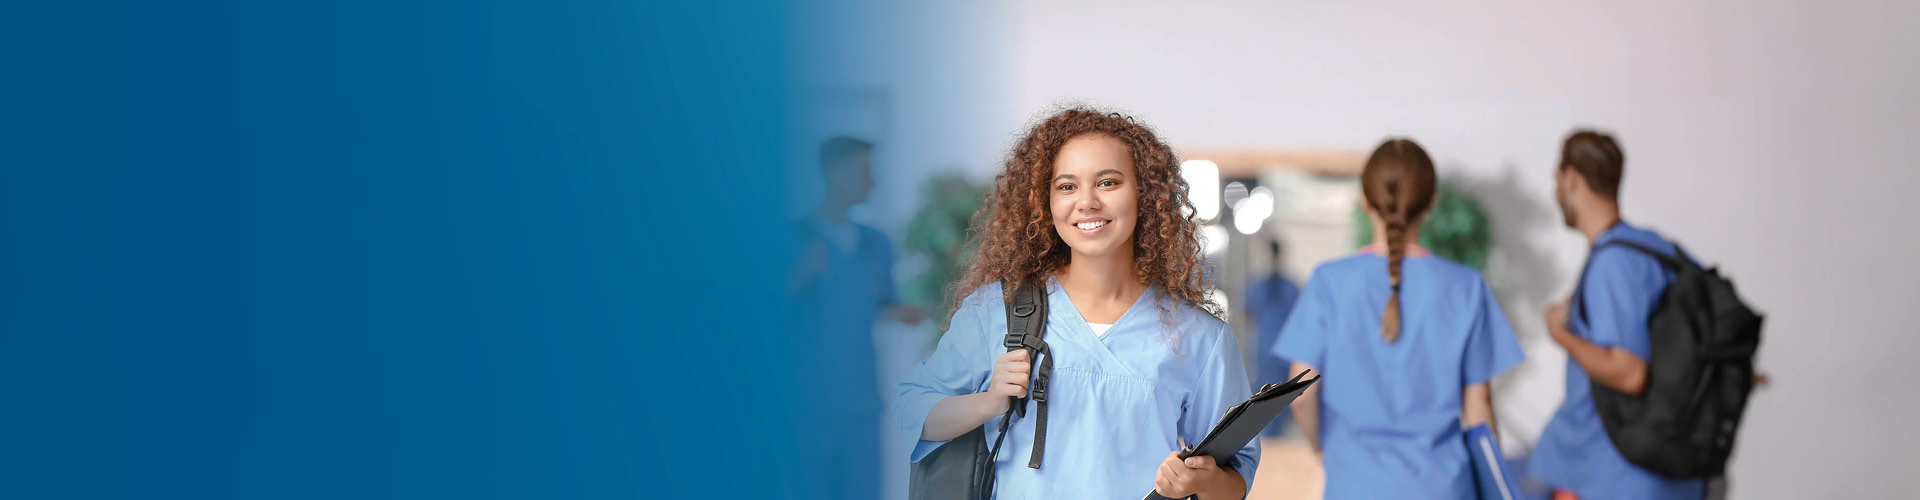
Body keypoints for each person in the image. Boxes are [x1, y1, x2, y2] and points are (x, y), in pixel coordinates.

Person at [894, 108, 1258, 499]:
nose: (1086, 202)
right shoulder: (996, 313)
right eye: (1066, 186)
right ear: (1044, 202)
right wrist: (988, 402)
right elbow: (911, 412)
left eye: (1108, 182)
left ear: (1145, 195)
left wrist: (1200, 481)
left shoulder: (1200, 338)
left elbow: (1235, 478)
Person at [1273, 138, 1524, 499]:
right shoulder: (1466, 287)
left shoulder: (1329, 282)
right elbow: (1479, 407)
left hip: (1355, 486)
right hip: (1445, 488)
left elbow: (1299, 393)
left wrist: (1322, 449)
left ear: (1364, 199)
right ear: (1433, 201)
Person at [1528, 130, 1705, 500]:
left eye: (1557, 180)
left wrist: (1561, 334)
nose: (1556, 190)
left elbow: (1629, 371)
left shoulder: (1612, 262)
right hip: (1668, 472)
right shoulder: (1654, 248)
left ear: (1572, 179)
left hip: (1616, 474)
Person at [788, 136, 923, 500]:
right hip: (805, 402)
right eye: (864, 172)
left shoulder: (875, 243)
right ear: (832, 173)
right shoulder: (794, 238)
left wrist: (917, 312)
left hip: (860, 401)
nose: (872, 181)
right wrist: (798, 275)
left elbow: (881, 304)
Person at [1245, 239, 1302, 437]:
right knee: (1281, 399)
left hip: (1265, 350)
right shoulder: (1291, 287)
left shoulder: (1257, 286)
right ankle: (1274, 440)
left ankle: (1267, 441)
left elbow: (1249, 316)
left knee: (1264, 397)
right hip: (1284, 350)